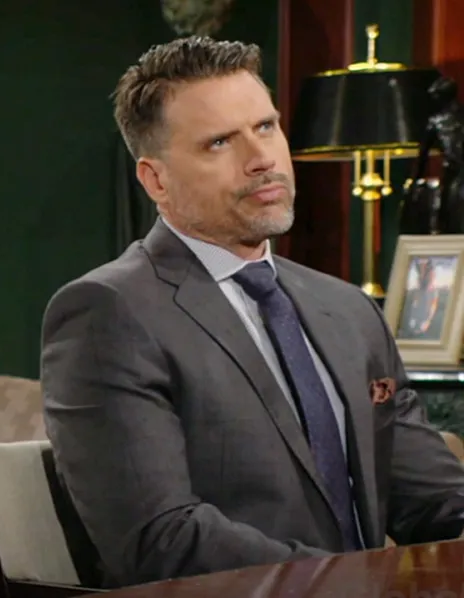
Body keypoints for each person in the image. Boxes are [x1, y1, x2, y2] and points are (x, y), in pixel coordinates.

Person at [40, 36, 464, 589]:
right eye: (219, 142)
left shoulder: (349, 309)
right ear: (156, 179)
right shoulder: (107, 312)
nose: (261, 158)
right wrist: (351, 584)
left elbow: (432, 498)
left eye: (266, 127)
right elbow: (158, 539)